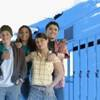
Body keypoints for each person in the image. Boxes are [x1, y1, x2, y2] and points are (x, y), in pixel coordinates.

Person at [26, 33, 63, 100]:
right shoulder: (33, 55)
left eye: (42, 40)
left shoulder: (53, 56)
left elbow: (61, 73)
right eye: (37, 42)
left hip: (47, 90)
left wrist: (52, 85)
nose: (39, 43)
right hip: (34, 91)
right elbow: (21, 62)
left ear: (47, 40)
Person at [0, 25, 26, 100]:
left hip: (13, 86)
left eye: (7, 34)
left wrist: (21, 79)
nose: (5, 37)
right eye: (2, 34)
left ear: (11, 35)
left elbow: (23, 66)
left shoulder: (18, 48)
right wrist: (1, 58)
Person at [45, 21, 69, 100]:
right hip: (43, 79)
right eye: (50, 29)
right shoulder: (40, 42)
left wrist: (55, 54)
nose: (53, 31)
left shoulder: (61, 43)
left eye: (55, 29)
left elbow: (64, 55)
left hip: (58, 81)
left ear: (58, 32)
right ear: (46, 31)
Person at [16, 25, 36, 100]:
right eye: (21, 32)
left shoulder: (34, 45)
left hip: (32, 76)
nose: (24, 34)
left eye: (26, 32)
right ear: (18, 34)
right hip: (19, 76)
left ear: (30, 34)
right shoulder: (15, 45)